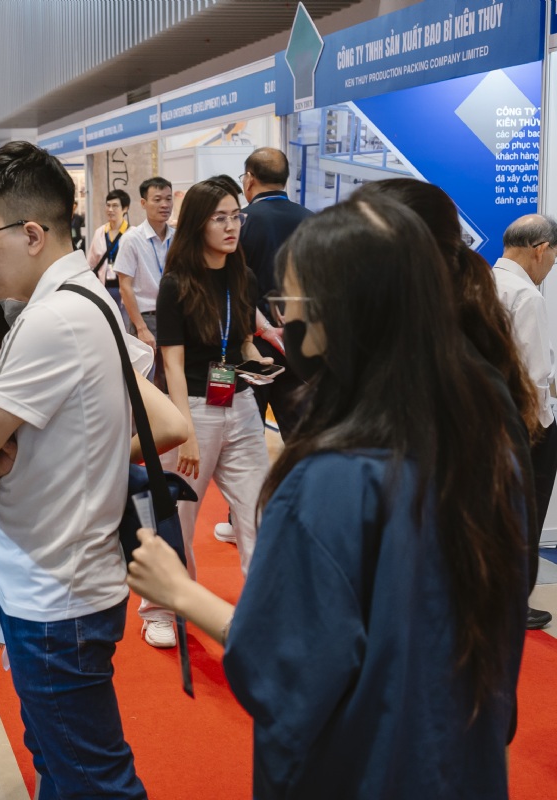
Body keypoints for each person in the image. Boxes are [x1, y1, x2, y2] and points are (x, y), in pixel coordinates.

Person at [127, 196, 528, 799]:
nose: (284, 319)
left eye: (292, 303)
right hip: (459, 759)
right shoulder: (484, 440)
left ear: (336, 314)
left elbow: (284, 671)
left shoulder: (331, 479)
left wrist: (179, 592)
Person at [0, 141, 187, 800]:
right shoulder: (90, 299)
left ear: (31, 234)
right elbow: (166, 423)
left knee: (93, 781)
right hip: (69, 579)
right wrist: (77, 451)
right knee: (59, 766)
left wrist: (18, 451)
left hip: (56, 596)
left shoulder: (54, 319)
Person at [136, 178, 271, 649]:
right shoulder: (176, 284)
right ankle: (160, 609)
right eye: (220, 218)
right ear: (198, 224)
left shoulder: (243, 276)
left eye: (236, 216)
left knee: (259, 512)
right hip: (191, 407)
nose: (232, 226)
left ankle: (265, 613)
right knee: (178, 517)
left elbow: (243, 342)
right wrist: (185, 431)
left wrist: (258, 359)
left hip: (241, 404)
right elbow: (172, 364)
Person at [493, 213, 557, 630]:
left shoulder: (484, 283)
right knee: (525, 515)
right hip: (526, 426)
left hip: (489, 419)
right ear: (540, 250)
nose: (551, 267)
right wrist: (541, 427)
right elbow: (534, 377)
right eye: (553, 258)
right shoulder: (526, 296)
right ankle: (515, 602)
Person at [238, 148, 314, 437]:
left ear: (249, 179)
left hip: (251, 344)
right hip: (300, 343)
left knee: (249, 435)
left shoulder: (239, 222)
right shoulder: (312, 220)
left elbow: (232, 287)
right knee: (301, 434)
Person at [114, 177, 175, 389]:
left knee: (170, 377)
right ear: (143, 203)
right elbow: (125, 287)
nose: (164, 204)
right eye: (157, 199)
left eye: (168, 199)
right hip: (146, 318)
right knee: (144, 381)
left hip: (173, 316)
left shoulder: (177, 238)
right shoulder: (132, 239)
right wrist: (140, 328)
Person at [86, 188, 131, 317]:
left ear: (125, 208)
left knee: (124, 325)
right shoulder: (100, 233)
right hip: (104, 289)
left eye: (115, 206)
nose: (110, 209)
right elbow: (91, 263)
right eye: (108, 205)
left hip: (125, 291)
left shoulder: (132, 234)